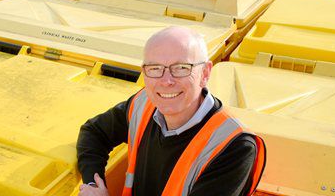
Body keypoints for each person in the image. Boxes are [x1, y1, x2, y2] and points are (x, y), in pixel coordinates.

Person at [76, 26, 266, 196]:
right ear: (144, 72)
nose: (166, 81)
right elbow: (94, 132)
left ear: (205, 73)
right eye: (155, 68)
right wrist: (93, 185)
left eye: (181, 68)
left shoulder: (233, 146)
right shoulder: (143, 104)